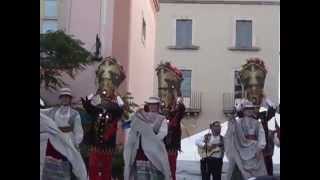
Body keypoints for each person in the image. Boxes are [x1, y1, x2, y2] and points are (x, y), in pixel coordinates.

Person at [41, 88, 85, 180]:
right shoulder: (52, 110)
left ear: (70, 99)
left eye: (67, 97)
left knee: (68, 160)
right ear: (60, 98)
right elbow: (42, 114)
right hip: (54, 139)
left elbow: (78, 130)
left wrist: (76, 142)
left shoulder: (74, 114)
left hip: (68, 139)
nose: (65, 99)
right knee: (51, 161)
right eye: (63, 97)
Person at [124, 96, 171, 180]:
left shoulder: (161, 119)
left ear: (158, 106)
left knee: (156, 174)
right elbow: (131, 127)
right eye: (150, 104)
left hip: (155, 152)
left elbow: (163, 133)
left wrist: (152, 138)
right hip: (140, 151)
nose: (152, 106)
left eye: (154, 105)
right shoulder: (141, 117)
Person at [225, 99, 267, 180]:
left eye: (251, 109)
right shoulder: (238, 122)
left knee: (257, 172)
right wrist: (233, 115)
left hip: (254, 149)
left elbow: (261, 135)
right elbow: (232, 128)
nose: (249, 110)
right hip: (241, 149)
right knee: (240, 170)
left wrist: (260, 147)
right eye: (247, 109)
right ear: (243, 111)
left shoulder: (257, 123)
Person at [164, 96, 186, 180]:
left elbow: (181, 110)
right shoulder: (164, 121)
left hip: (171, 148)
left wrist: (178, 103)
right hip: (163, 148)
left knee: (171, 170)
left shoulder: (175, 122)